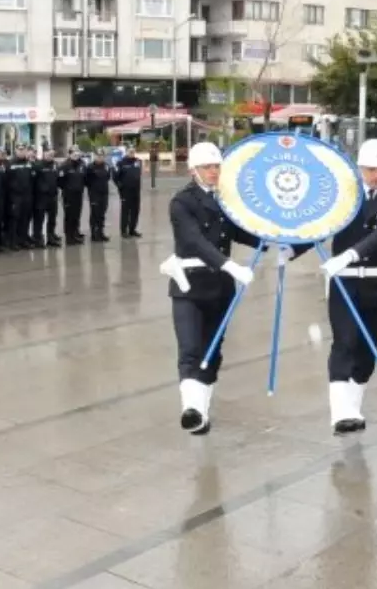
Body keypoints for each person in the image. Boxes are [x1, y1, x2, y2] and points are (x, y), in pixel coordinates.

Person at [297, 138, 377, 435]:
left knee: (367, 349)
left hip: (376, 283)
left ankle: (354, 407)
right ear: (359, 168)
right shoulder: (343, 198)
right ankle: (340, 412)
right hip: (344, 283)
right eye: (371, 169)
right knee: (344, 341)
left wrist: (349, 254)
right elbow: (320, 227)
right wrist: (291, 249)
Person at [161, 141, 268, 435]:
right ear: (193, 170)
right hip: (190, 285)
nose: (213, 171)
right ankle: (191, 408)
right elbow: (195, 240)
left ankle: (201, 411)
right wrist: (229, 265)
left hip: (220, 288)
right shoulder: (181, 202)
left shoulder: (224, 201)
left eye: (216, 166)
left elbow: (240, 232)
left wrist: (273, 241)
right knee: (190, 349)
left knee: (212, 351)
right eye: (207, 167)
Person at [114, 146, 144, 239]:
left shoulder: (138, 162)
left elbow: (139, 174)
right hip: (125, 192)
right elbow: (115, 177)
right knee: (125, 212)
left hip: (136, 191)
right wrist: (120, 187)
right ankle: (124, 231)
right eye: (130, 151)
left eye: (133, 151)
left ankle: (132, 230)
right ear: (126, 152)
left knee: (135, 211)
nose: (132, 153)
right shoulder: (121, 163)